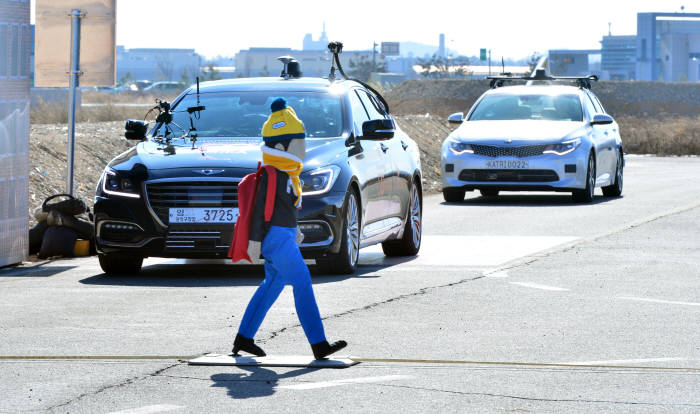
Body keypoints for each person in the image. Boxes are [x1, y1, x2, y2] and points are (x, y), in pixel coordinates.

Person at [232, 98, 347, 360]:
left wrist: (293, 230)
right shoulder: (273, 174)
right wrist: (254, 241)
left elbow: (282, 210)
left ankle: (243, 338)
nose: (304, 149)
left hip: (282, 237)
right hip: (276, 240)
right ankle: (319, 344)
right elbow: (261, 213)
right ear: (282, 146)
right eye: (300, 143)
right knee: (303, 282)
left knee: (272, 284)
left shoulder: (288, 176)